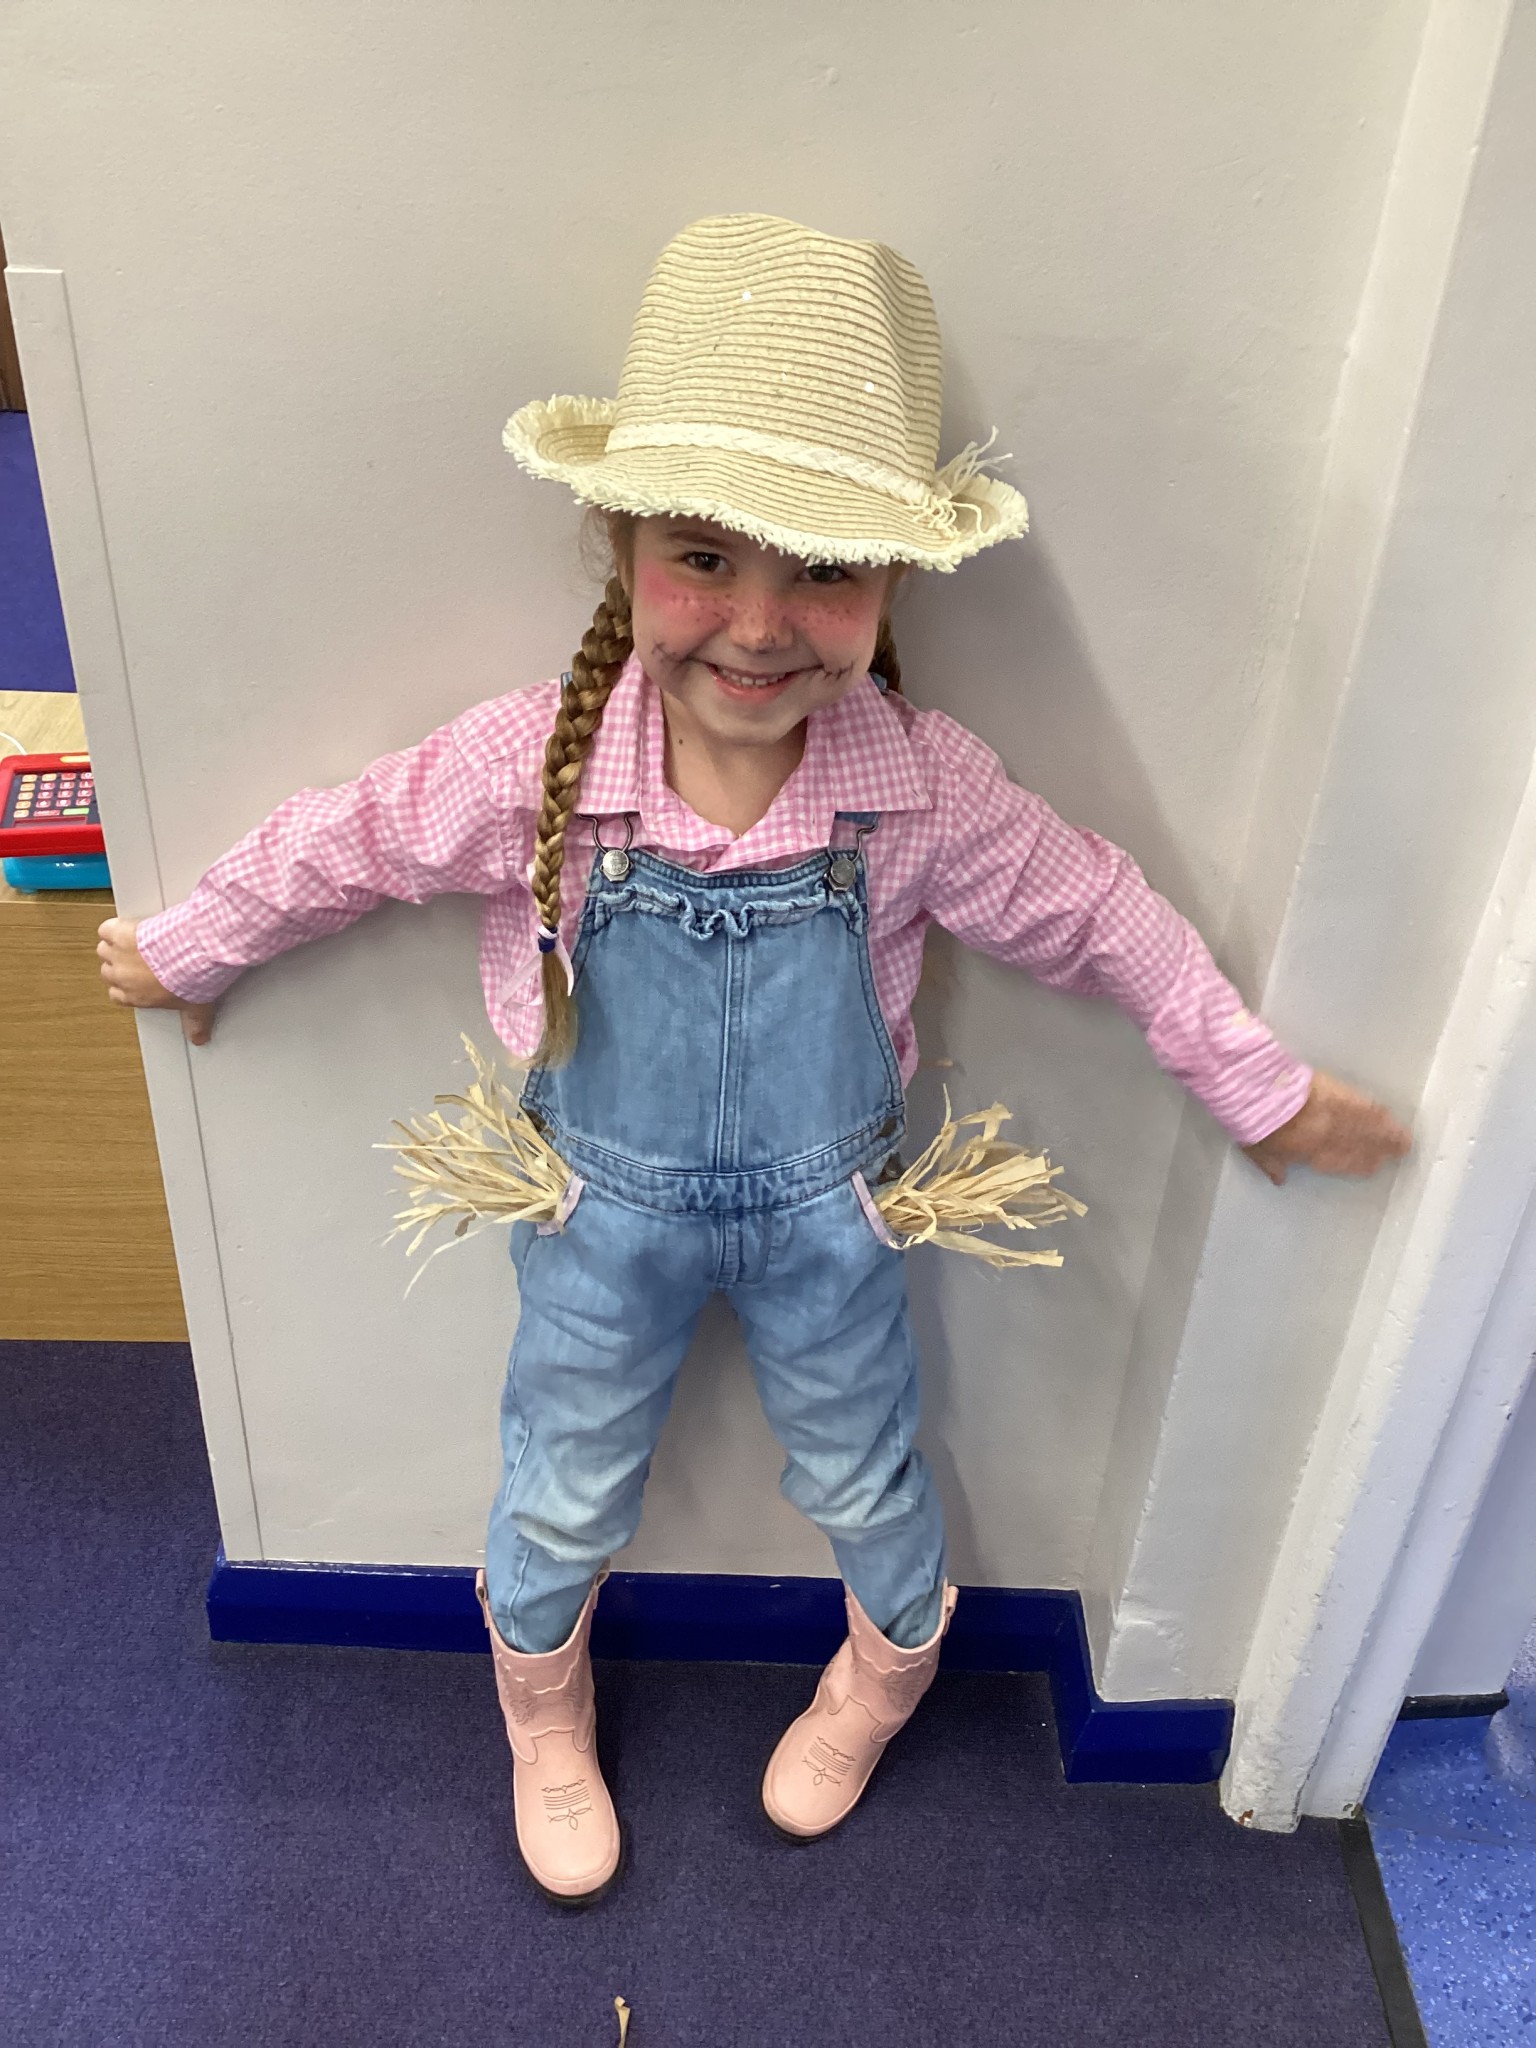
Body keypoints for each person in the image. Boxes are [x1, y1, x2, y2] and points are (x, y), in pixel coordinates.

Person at [97, 213, 1411, 1907]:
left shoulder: (916, 786)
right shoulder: (543, 768)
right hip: (594, 1214)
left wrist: (1257, 1081)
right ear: (618, 544)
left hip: (833, 1220)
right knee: (561, 1486)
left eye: (828, 570)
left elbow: (1099, 912)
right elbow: (355, 839)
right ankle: (544, 1721)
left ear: (896, 586)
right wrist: (199, 943)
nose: (763, 623)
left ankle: (881, 1677)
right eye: (706, 557)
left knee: (867, 1470)